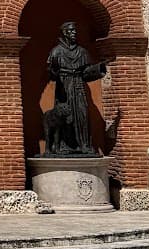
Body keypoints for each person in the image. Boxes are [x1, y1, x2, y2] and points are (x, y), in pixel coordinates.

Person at [44, 20, 107, 156]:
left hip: (78, 85)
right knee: (65, 116)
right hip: (64, 87)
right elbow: (51, 75)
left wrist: (97, 68)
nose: (74, 33)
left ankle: (84, 145)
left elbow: (86, 73)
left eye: (75, 31)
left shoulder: (82, 52)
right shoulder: (56, 52)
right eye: (71, 31)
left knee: (82, 113)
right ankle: (64, 146)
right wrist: (53, 69)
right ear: (64, 33)